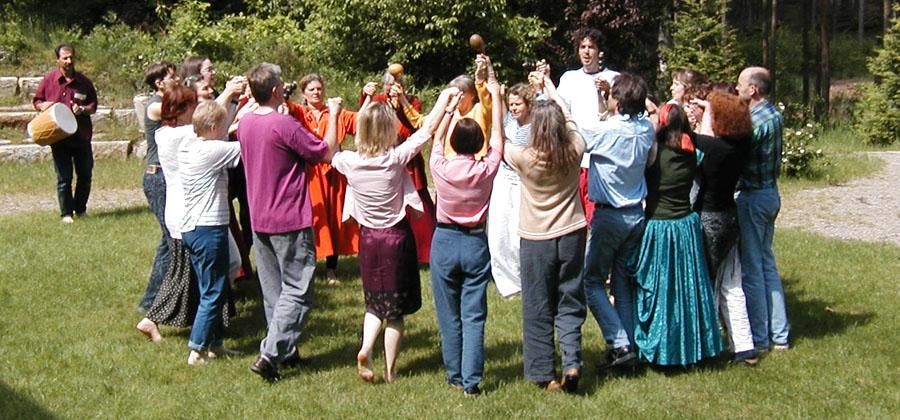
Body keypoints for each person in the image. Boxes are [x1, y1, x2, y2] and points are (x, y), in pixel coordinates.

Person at [332, 89, 455, 384]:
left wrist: (334, 115)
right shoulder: (394, 159)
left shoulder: (349, 162)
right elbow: (426, 131)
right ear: (389, 130)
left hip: (369, 240)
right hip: (396, 239)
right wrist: (445, 100)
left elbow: (330, 149)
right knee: (396, 312)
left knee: (375, 304)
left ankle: (365, 347)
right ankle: (389, 371)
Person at [238, 63, 340, 381]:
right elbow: (326, 152)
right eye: (281, 84)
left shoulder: (245, 123)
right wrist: (334, 113)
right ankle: (270, 354)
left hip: (259, 217)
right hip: (289, 218)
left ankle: (287, 351)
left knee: (274, 291)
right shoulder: (284, 125)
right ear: (274, 91)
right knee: (298, 290)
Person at [505, 81, 587, 393]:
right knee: (570, 298)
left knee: (537, 304)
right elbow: (572, 121)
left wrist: (496, 95)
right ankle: (572, 361)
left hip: (536, 238)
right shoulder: (574, 149)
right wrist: (551, 90)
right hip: (571, 233)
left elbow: (497, 141)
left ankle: (543, 373)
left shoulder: (525, 158)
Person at [633, 102, 724, 366]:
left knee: (660, 291)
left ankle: (660, 349)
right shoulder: (693, 152)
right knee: (688, 291)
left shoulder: (654, 151)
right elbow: (704, 136)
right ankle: (692, 348)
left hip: (659, 226)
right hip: (685, 226)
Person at [429, 78, 503, 397]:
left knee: (449, 314)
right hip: (475, 242)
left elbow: (435, 138)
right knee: (474, 315)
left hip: (444, 241)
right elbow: (498, 138)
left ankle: (454, 375)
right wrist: (496, 101)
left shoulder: (440, 166)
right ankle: (471, 382)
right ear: (478, 145)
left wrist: (449, 108)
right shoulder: (486, 169)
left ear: (454, 143)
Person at [579, 73, 655, 370]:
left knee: (592, 282)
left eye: (611, 94)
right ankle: (629, 347)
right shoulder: (646, 129)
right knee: (622, 282)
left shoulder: (607, 132)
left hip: (610, 215)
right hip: (636, 214)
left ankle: (619, 342)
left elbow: (574, 132)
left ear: (619, 101)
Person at [691, 91, 757, 365]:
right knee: (732, 283)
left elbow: (695, 137)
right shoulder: (743, 145)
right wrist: (712, 108)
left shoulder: (714, 149)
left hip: (709, 221)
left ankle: (709, 346)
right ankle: (744, 347)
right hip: (730, 217)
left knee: (706, 284)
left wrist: (705, 113)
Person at [286, 74, 370, 284]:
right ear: (304, 94)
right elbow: (284, 108)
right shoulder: (299, 112)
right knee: (313, 219)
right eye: (311, 90)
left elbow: (361, 120)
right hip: (309, 174)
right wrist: (284, 91)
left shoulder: (334, 112)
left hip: (333, 173)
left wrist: (367, 97)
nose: (316, 93)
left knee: (334, 219)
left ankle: (331, 269)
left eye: (319, 89)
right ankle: (309, 266)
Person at [177, 100, 243, 365]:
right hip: (208, 228)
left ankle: (215, 343)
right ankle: (197, 348)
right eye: (222, 125)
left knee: (214, 284)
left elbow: (224, 132)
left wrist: (237, 107)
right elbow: (251, 145)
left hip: (192, 228)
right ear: (214, 127)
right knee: (214, 289)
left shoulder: (189, 146)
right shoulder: (212, 151)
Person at [136, 84, 201, 341]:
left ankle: (193, 317)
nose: (196, 110)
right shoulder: (175, 134)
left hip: (176, 202)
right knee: (178, 259)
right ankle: (151, 313)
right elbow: (210, 133)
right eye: (193, 105)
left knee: (180, 259)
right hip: (172, 200)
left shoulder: (172, 132)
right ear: (182, 109)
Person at [735, 67, 790, 352]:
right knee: (767, 264)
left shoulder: (755, 120)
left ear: (753, 89)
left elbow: (735, 150)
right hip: (770, 194)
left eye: (741, 84)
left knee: (753, 270)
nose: (737, 88)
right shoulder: (775, 114)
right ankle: (780, 334)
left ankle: (760, 337)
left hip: (754, 197)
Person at [362, 67, 436, 264]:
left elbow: (416, 125)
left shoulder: (412, 101)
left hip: (408, 158)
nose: (391, 89)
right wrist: (365, 95)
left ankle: (424, 253)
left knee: (419, 200)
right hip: (385, 158)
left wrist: (402, 102)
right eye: (388, 86)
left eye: (396, 85)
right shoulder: (378, 100)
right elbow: (366, 119)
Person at [556, 28, 619, 225]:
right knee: (573, 215)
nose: (586, 51)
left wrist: (609, 93)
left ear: (599, 52)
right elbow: (559, 111)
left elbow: (622, 114)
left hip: (601, 157)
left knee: (595, 216)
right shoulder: (569, 78)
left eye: (591, 47)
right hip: (574, 154)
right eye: (582, 47)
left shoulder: (614, 78)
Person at [32, 44, 98, 224]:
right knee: (64, 178)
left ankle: (81, 209)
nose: (69, 61)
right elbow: (37, 100)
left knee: (85, 175)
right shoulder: (49, 80)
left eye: (71, 57)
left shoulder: (84, 82)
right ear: (58, 60)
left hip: (81, 136)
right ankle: (66, 213)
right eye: (65, 58)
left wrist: (83, 109)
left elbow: (93, 106)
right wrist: (42, 105)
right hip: (58, 137)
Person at [486, 82, 538, 298]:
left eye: (518, 104)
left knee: (517, 231)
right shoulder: (509, 120)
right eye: (511, 104)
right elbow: (498, 120)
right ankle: (506, 282)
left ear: (528, 104)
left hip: (523, 179)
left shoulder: (534, 125)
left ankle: (523, 278)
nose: (514, 108)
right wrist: (496, 94)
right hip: (504, 177)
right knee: (498, 229)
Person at [137, 61, 178, 313]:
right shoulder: (156, 106)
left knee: (168, 239)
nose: (179, 80)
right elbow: (188, 117)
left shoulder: (166, 101)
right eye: (173, 77)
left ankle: (152, 301)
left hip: (166, 176)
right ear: (159, 83)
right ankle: (154, 303)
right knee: (171, 240)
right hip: (158, 178)